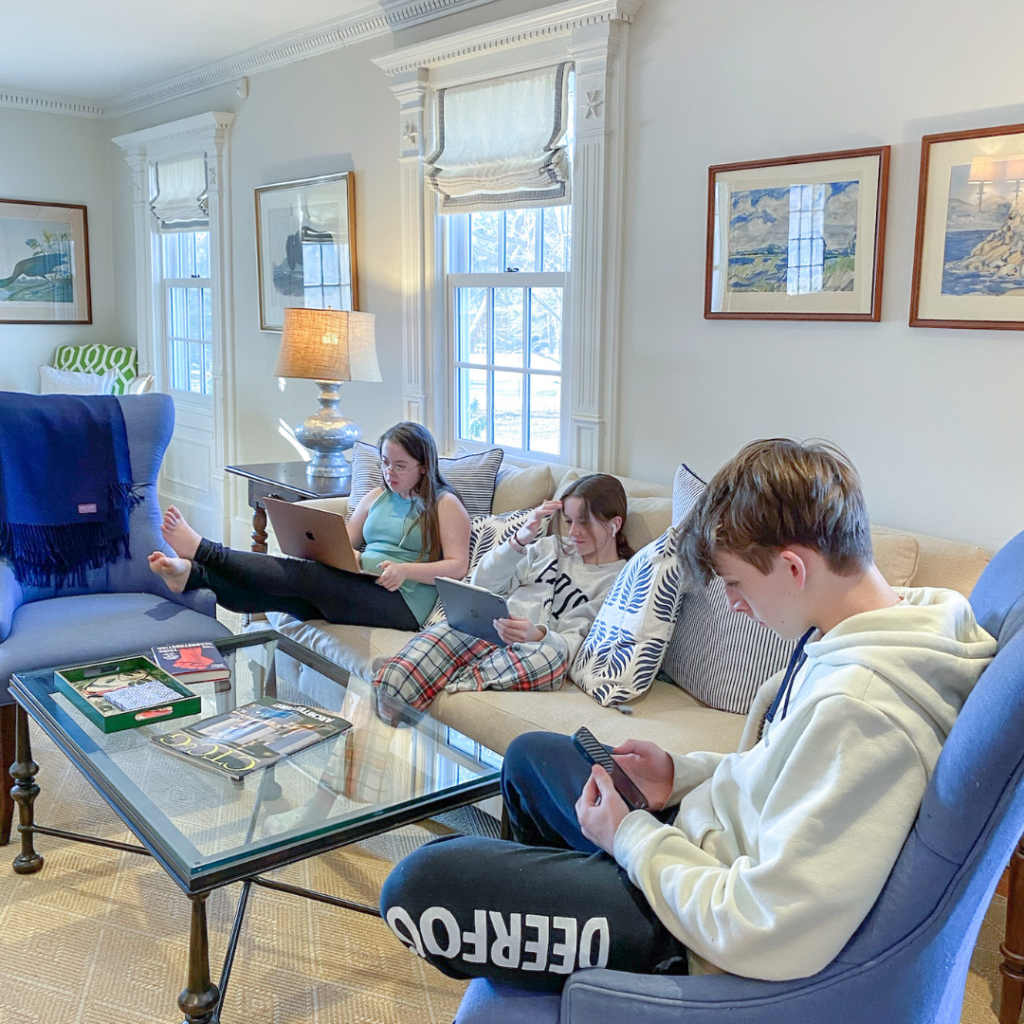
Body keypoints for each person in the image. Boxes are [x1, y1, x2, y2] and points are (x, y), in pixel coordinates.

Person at [378, 438, 997, 990]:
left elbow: (764, 925)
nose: (734, 606)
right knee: (531, 755)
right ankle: (570, 915)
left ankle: (586, 921)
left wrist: (629, 837)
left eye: (732, 584)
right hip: (688, 848)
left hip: (701, 930)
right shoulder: (888, 622)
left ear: (791, 567)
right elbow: (778, 771)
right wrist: (684, 772)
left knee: (421, 890)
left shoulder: (865, 712)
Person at [148, 422, 471, 631]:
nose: (390, 472)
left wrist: (405, 570)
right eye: (385, 463)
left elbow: (458, 566)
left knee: (306, 577)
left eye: (400, 466)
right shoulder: (377, 497)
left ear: (424, 467)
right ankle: (193, 575)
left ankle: (205, 552)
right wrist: (327, 549)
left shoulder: (443, 504)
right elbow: (342, 543)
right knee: (288, 599)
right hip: (362, 582)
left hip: (403, 602)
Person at [371, 473, 634, 716]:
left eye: (584, 523)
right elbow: (484, 583)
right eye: (568, 521)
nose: (573, 532)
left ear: (614, 524)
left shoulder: (618, 582)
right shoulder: (547, 547)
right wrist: (520, 540)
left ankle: (445, 676)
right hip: (493, 630)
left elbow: (576, 644)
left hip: (536, 652)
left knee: (551, 660)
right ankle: (406, 672)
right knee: (444, 634)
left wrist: (538, 635)